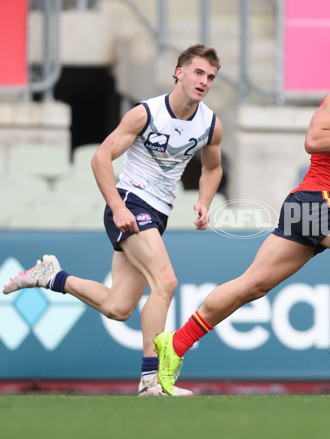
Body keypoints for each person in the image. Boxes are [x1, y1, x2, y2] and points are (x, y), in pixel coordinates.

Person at [154, 27, 330, 395]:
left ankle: (175, 343)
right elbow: (315, 139)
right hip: (319, 200)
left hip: (308, 205)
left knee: (251, 285)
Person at [3, 44, 224, 397]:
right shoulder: (145, 113)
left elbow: (213, 167)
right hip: (131, 203)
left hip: (158, 214)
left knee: (117, 306)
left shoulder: (210, 124)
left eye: (211, 77)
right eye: (198, 72)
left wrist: (203, 200)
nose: (204, 81)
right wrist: (117, 207)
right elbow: (101, 157)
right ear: (179, 72)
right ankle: (151, 381)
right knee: (166, 282)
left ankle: (50, 276)